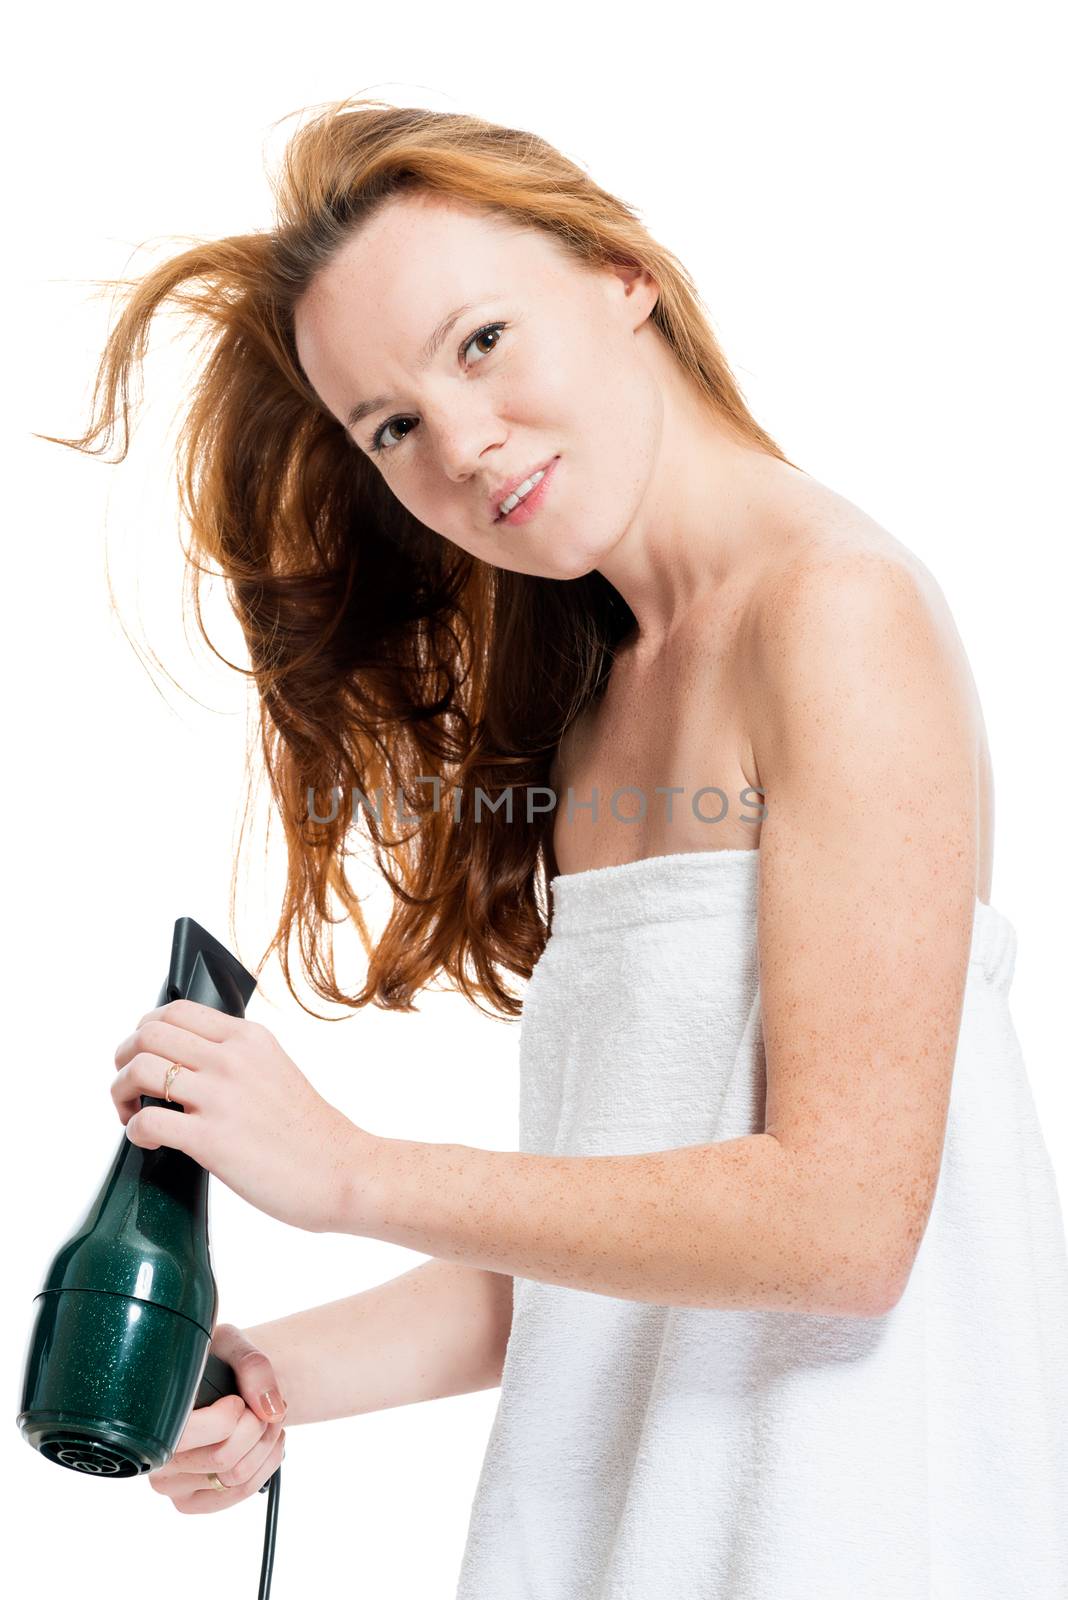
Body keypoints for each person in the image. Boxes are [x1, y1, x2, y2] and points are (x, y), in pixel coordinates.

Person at [47, 96, 1068, 1594]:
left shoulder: (838, 615)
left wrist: (347, 1170)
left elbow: (842, 1224)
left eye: (480, 341)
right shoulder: (601, 713)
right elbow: (619, 1246)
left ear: (618, 272)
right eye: (390, 424)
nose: (460, 444)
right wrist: (279, 1376)